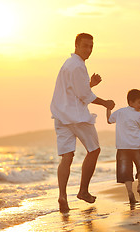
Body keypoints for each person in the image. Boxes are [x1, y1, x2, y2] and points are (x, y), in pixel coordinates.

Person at [50, 33, 115, 213]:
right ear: (76, 45)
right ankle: (83, 191)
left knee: (67, 156)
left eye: (91, 47)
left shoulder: (67, 64)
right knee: (94, 150)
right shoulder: (78, 66)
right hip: (76, 116)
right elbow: (84, 95)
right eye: (85, 46)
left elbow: (76, 90)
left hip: (61, 115)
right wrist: (106, 103)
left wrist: (90, 84)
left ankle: (62, 196)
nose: (88, 50)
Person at [107, 89, 140, 204]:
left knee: (126, 172)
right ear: (131, 102)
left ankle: (130, 192)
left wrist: (108, 108)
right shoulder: (139, 115)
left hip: (122, 147)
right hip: (137, 146)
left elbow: (109, 120)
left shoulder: (119, 112)